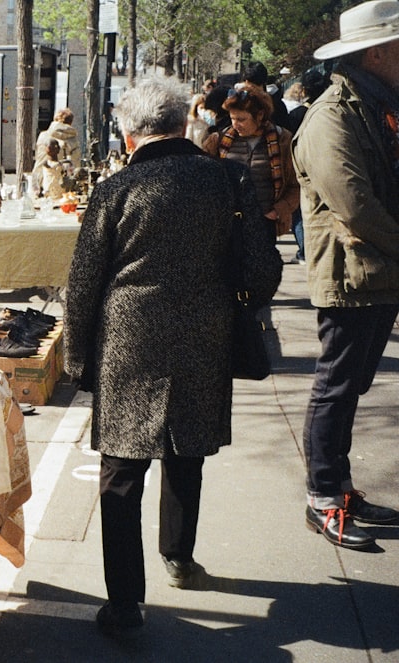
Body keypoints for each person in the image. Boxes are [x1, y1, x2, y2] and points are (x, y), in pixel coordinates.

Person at [62, 78, 282, 637]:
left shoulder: (117, 189)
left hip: (128, 339)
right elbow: (261, 271)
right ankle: (179, 558)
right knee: (187, 450)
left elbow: (83, 283)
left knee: (121, 470)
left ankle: (125, 606)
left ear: (130, 133)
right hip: (204, 334)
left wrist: (75, 358)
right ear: (186, 121)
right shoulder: (227, 178)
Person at [292, 0, 399, 550]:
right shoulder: (334, 113)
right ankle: (324, 498)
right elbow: (354, 204)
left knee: (350, 387)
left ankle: (340, 489)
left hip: (374, 271)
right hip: (353, 275)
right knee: (336, 387)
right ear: (378, 52)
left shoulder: (373, 104)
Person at [202, 82, 300, 243]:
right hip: (228, 225)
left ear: (260, 115)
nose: (235, 124)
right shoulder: (218, 141)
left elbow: (296, 184)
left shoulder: (283, 141)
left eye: (241, 119)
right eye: (232, 118)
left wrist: (278, 210)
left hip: (265, 223)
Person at [286, 68, 331, 264]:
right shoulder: (330, 111)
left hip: (302, 167)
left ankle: (305, 250)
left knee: (301, 212)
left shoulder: (297, 114)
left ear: (304, 90)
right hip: (326, 166)